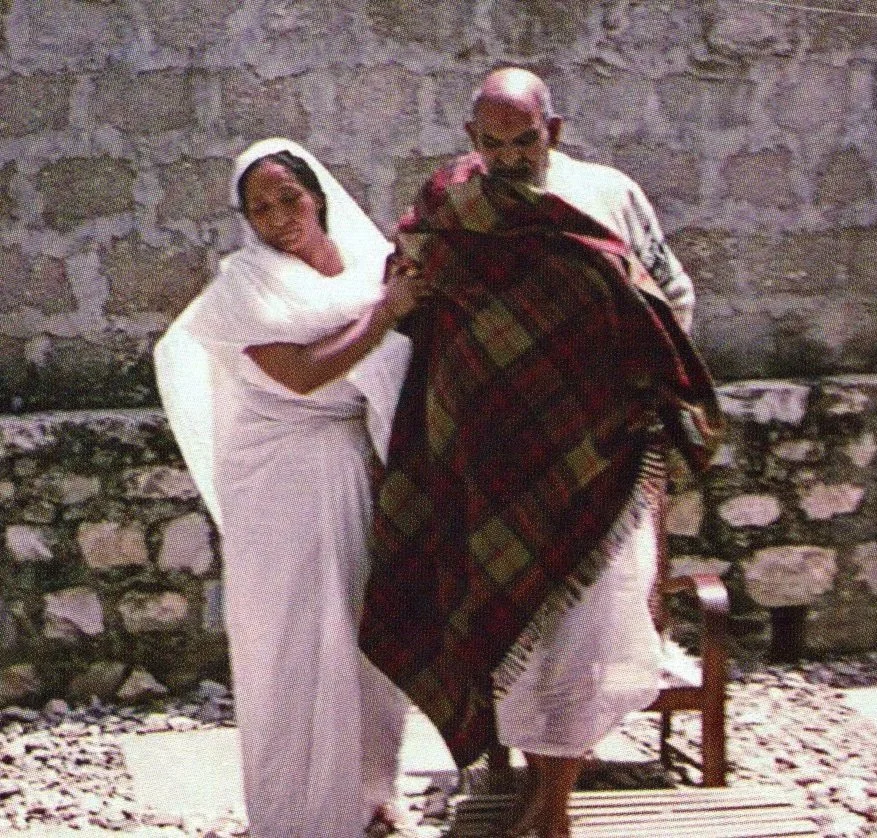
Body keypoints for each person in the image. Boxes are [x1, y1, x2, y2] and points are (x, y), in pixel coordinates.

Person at [358, 69, 722, 838]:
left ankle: (555, 806)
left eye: (524, 141)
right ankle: (533, 789)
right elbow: (411, 296)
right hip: (492, 453)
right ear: (472, 141)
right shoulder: (452, 205)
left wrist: (629, 384)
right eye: (493, 145)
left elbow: (670, 297)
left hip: (600, 455)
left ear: (552, 131)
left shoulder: (609, 195)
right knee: (511, 620)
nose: (510, 157)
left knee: (583, 636)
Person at [154, 138, 426, 838]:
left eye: (289, 199)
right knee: (294, 645)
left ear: (317, 195)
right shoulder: (245, 285)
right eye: (260, 208)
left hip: (353, 468)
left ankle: (368, 794)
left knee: (366, 635)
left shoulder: (368, 269)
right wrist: (388, 312)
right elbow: (303, 373)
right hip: (278, 479)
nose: (279, 218)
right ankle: (298, 815)